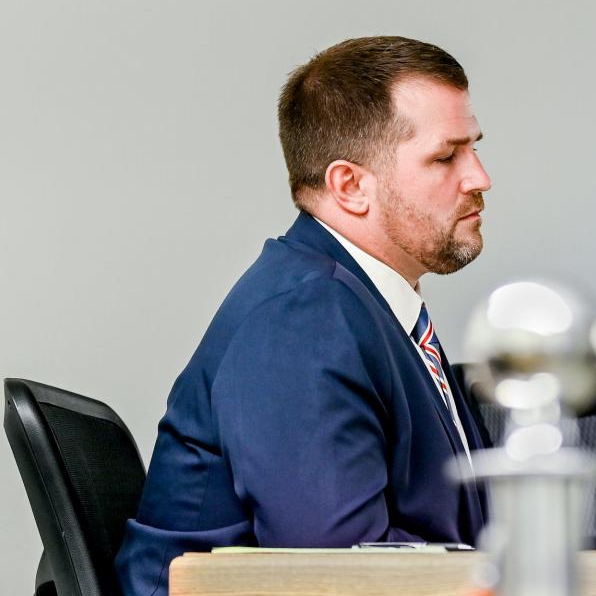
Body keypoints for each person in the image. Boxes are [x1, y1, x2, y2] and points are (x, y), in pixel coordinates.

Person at [115, 36, 492, 596]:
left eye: (475, 149)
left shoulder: (361, 306)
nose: (479, 177)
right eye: (445, 156)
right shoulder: (304, 318)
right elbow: (340, 571)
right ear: (350, 185)